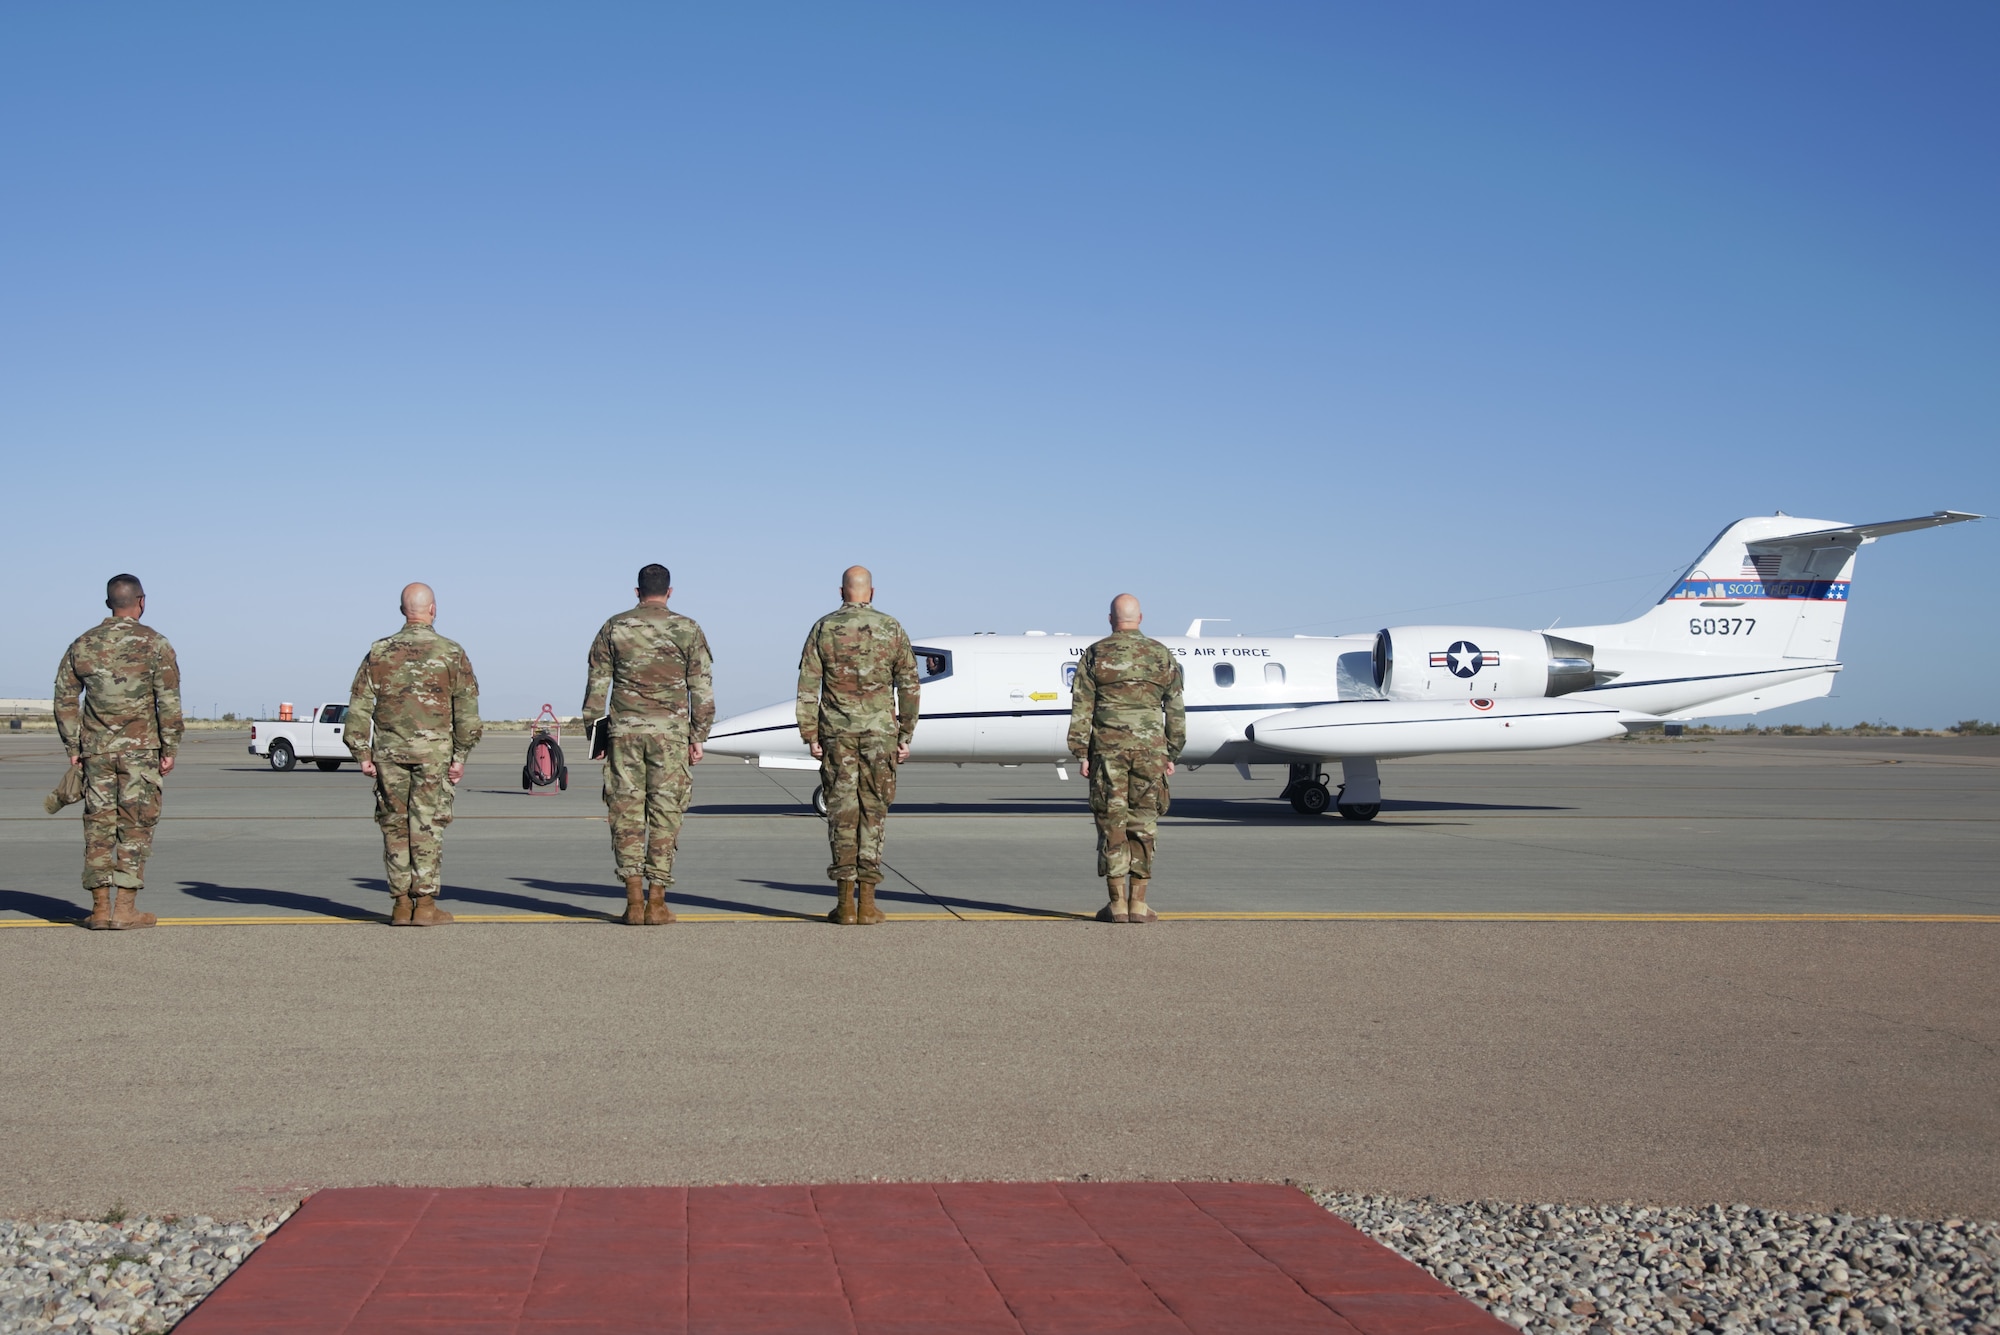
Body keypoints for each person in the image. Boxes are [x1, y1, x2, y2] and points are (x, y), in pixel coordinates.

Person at [581, 563, 714, 925]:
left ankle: (633, 901)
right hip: (670, 737)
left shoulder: (615, 627)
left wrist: (598, 739)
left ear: (637, 592)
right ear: (669, 592)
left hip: (624, 734)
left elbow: (597, 688)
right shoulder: (687, 629)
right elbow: (700, 690)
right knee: (665, 814)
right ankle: (657, 901)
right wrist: (698, 737)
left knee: (626, 815)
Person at [344, 583, 482, 926]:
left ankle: (401, 904)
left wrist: (362, 751)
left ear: (403, 610)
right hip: (433, 753)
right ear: (432, 609)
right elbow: (466, 709)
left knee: (394, 824)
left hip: (389, 753)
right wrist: (461, 755)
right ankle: (425, 904)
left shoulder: (379, 652)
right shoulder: (451, 652)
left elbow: (360, 704)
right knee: (427, 824)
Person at [53, 574, 183, 930]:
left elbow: (64, 698)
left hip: (95, 752)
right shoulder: (155, 643)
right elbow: (168, 701)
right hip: (141, 752)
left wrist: (73, 746)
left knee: (98, 827)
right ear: (141, 601)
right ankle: (124, 909)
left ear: (109, 603)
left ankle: (98, 909)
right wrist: (170, 747)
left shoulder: (83, 643)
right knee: (136, 825)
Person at [796, 565, 920, 925]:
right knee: (873, 814)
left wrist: (811, 734)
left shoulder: (824, 628)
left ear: (841, 592)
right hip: (880, 735)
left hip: (837, 734)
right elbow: (910, 685)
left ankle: (844, 904)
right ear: (872, 592)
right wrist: (905, 734)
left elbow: (808, 687)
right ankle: (867, 903)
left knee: (842, 814)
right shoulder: (891, 627)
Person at [1067, 593, 1185, 924]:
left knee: (1111, 821)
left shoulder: (1095, 654)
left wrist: (1081, 752)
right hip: (1150, 750)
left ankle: (1116, 904)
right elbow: (1175, 708)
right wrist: (1170, 751)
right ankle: (1139, 904)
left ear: (1110, 619)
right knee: (1144, 823)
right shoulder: (1161, 654)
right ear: (1141, 618)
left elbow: (1082, 707)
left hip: (1107, 750)